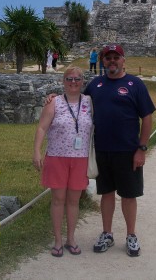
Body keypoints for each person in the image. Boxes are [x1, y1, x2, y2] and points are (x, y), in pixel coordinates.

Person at [84, 44, 156, 257]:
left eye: (116, 57)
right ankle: (107, 233)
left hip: (127, 151)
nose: (112, 61)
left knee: (129, 195)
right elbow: (78, 104)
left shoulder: (135, 84)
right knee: (106, 194)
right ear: (103, 61)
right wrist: (53, 99)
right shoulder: (95, 85)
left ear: (124, 60)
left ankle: (131, 235)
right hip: (103, 150)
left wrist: (141, 148)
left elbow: (148, 116)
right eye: (108, 58)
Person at [33, 66, 93, 257]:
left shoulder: (90, 102)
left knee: (74, 201)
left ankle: (71, 238)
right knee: (58, 200)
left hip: (80, 157)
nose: (73, 82)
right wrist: (36, 151)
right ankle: (58, 240)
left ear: (83, 81)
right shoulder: (54, 102)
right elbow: (42, 128)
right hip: (57, 157)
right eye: (69, 79)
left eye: (77, 79)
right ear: (63, 81)